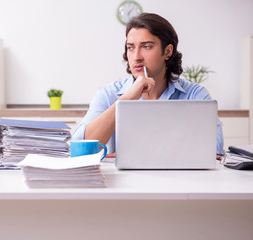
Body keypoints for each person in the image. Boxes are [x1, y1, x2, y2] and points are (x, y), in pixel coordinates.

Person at [72, 12, 224, 157]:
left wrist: (140, 155)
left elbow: (214, 151)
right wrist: (126, 99)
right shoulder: (108, 95)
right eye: (130, 48)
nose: (136, 57)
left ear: (168, 51)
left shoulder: (195, 95)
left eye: (146, 47)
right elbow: (79, 148)